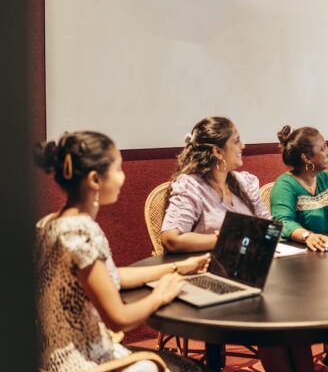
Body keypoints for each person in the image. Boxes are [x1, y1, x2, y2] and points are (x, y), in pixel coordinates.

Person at [34, 131, 211, 372]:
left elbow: (106, 276)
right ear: (95, 180)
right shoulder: (82, 231)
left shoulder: (50, 224)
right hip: (80, 363)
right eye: (118, 169)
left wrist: (178, 267)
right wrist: (161, 294)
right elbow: (119, 319)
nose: (123, 177)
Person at [160, 117, 271, 252]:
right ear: (218, 152)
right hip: (207, 267)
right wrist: (226, 239)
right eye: (236, 141)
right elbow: (171, 239)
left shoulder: (245, 183)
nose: (243, 146)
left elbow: (267, 228)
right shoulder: (192, 186)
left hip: (249, 264)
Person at [270, 125, 328, 252]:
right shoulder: (284, 186)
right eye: (323, 148)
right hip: (302, 258)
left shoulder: (327, 178)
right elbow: (284, 223)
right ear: (307, 158)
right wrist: (308, 236)